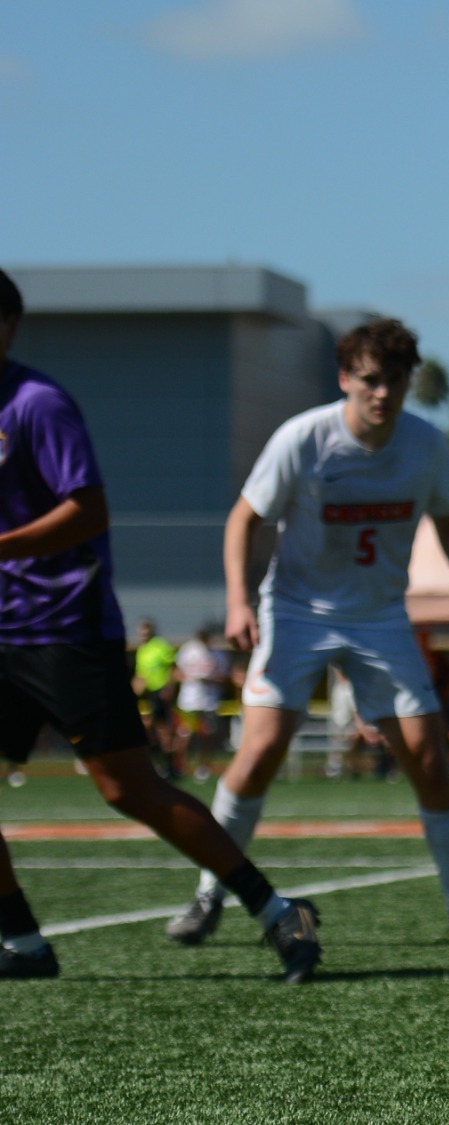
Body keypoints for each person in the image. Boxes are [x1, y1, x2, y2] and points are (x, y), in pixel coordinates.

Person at [0, 268, 320, 982]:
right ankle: (23, 941)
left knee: (128, 789)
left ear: (10, 326)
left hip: (61, 627)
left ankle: (275, 909)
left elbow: (88, 509)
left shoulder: (36, 403)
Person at [160, 317, 449, 947]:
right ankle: (208, 895)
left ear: (409, 382)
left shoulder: (426, 444)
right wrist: (240, 601)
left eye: (395, 381)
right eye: (370, 380)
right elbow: (244, 518)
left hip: (380, 617)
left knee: (430, 761)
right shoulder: (304, 438)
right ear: (345, 378)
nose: (382, 393)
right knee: (261, 752)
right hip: (296, 612)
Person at [171, 624, 230, 783]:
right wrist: (190, 678)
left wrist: (209, 679)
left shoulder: (218, 653)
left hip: (209, 700)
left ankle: (203, 766)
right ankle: (178, 766)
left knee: (208, 735)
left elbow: (224, 677)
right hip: (189, 701)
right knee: (185, 734)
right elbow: (176, 672)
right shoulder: (188, 650)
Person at [131, 618, 179, 770]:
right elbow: (141, 676)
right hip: (151, 693)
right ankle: (158, 761)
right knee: (150, 726)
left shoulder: (161, 646)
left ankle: (170, 764)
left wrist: (169, 687)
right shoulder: (142, 650)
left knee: (162, 727)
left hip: (161, 691)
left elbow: (173, 668)